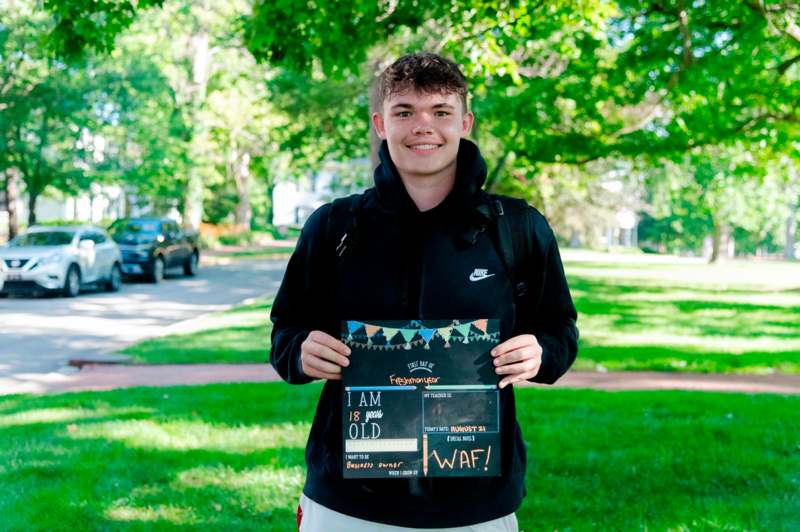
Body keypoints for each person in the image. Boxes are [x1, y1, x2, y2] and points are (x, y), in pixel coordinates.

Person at [270, 52, 578, 531]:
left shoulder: (517, 229)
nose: (423, 127)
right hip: (349, 502)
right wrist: (299, 351)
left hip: (475, 503)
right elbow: (285, 332)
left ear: (465, 122)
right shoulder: (334, 227)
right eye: (404, 112)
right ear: (380, 123)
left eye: (440, 112)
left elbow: (560, 331)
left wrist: (540, 353)